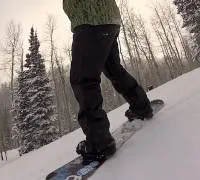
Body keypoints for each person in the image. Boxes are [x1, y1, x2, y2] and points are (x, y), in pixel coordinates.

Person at [63, 0, 153, 164]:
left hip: (89, 21)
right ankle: (142, 106)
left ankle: (99, 142)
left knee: (84, 80)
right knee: (114, 70)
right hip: (109, 20)